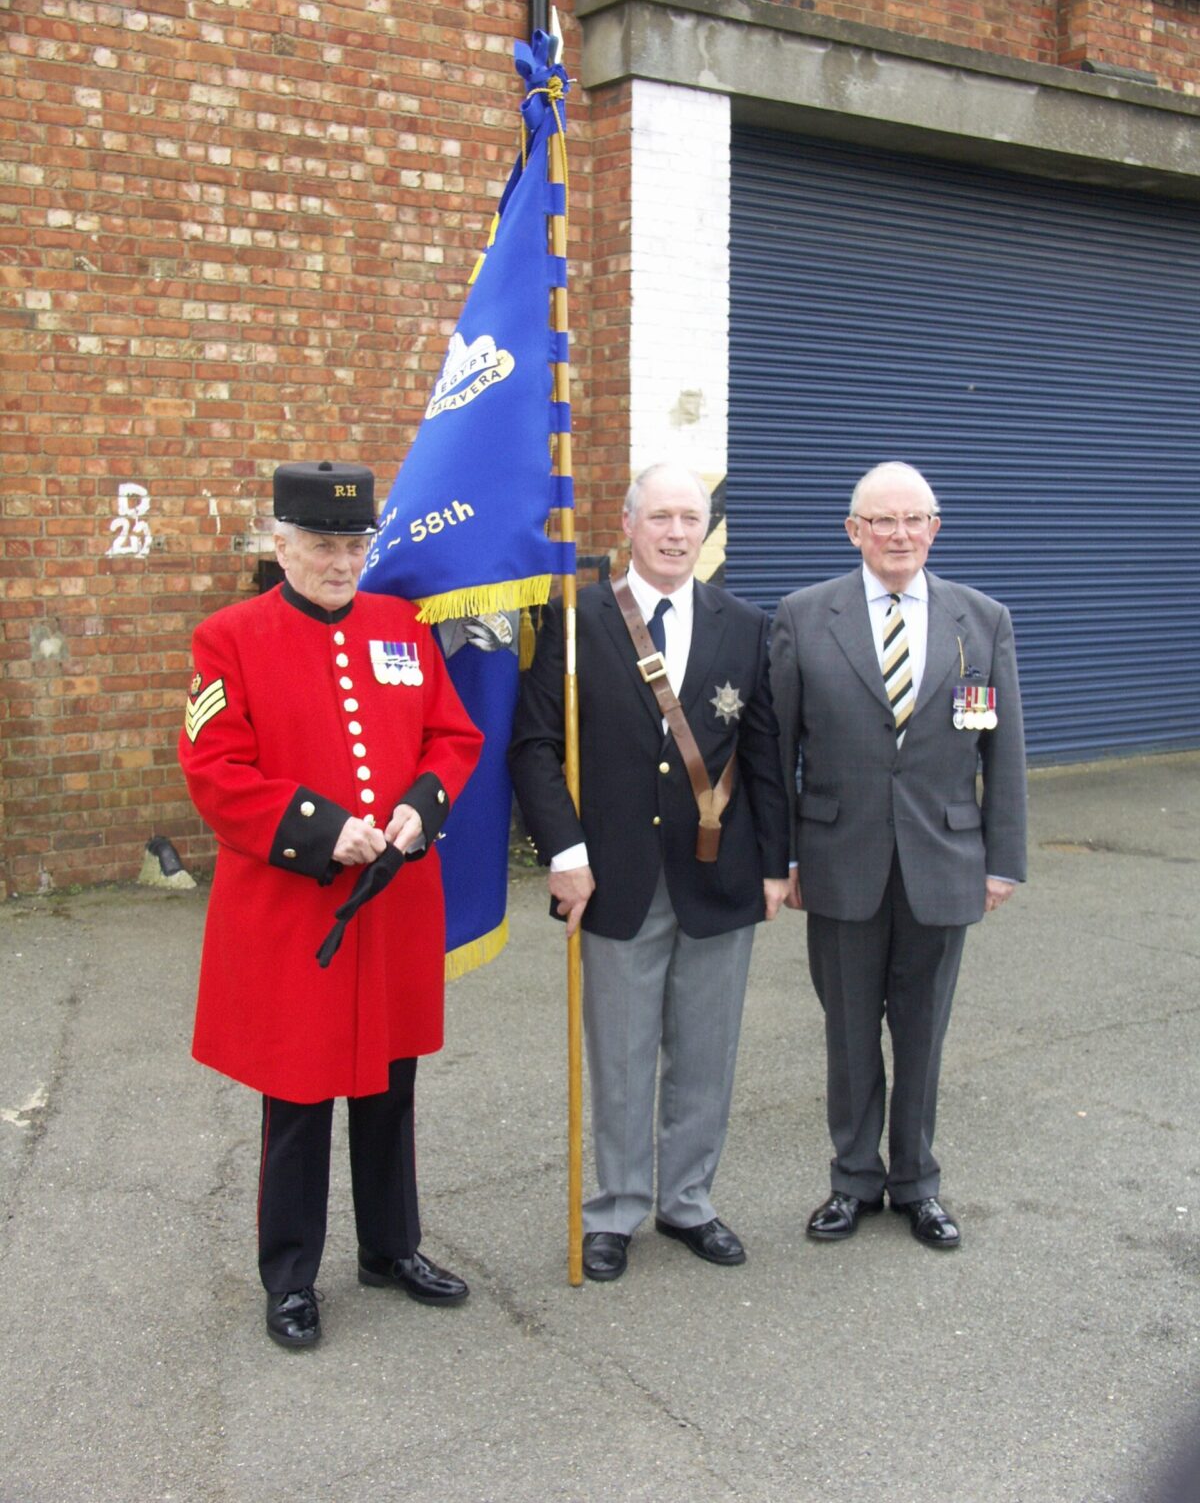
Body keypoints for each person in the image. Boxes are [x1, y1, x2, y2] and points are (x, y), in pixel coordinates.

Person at [178, 460, 483, 1348]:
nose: (342, 562)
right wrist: (321, 829)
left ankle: (391, 1249)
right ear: (282, 545)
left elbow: (451, 735)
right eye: (322, 544)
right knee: (299, 1096)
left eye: (355, 544)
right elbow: (215, 771)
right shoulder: (228, 639)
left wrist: (422, 803)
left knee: (390, 1084)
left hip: (393, 904)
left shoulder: (402, 627)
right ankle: (290, 1278)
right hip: (296, 910)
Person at [508, 462, 791, 1282]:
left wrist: (776, 864)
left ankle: (689, 1201)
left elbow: (767, 754)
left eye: (689, 518)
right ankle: (616, 1208)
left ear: (706, 530)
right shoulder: (577, 620)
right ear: (627, 524)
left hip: (720, 875)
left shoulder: (746, 625)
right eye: (659, 516)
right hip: (612, 877)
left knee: (707, 1052)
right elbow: (534, 747)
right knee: (622, 1057)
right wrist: (565, 855)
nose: (675, 533)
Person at [770, 461, 1027, 1249]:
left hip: (943, 861)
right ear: (854, 531)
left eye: (914, 519)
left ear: (935, 529)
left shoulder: (981, 620)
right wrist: (782, 860)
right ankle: (852, 1181)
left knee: (923, 1034)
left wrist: (1002, 860)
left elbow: (1004, 751)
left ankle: (917, 1184)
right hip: (838, 859)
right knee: (849, 1036)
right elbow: (776, 754)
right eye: (882, 520)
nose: (899, 534)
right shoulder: (804, 616)